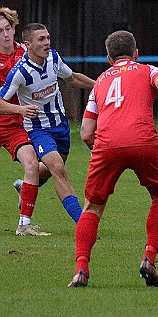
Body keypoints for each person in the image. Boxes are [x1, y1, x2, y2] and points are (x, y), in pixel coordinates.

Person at [67, 30, 158, 288]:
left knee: (92, 207)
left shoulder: (99, 82)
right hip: (143, 141)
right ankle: (149, 257)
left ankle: (81, 270)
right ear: (136, 54)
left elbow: (86, 133)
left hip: (107, 145)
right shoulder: (147, 70)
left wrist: (101, 151)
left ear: (109, 58)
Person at [0, 22, 95, 226]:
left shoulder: (53, 58)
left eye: (48, 38)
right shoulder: (20, 72)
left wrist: (99, 86)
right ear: (28, 44)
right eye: (41, 39)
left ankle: (24, 186)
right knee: (59, 170)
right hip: (38, 129)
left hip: (60, 125)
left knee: (51, 168)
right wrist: (20, 110)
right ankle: (83, 223)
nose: (47, 43)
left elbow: (72, 79)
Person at [0, 8, 51, 236]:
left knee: (50, 163)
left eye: (8, 29)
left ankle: (24, 224)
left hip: (17, 123)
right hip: (9, 116)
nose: (5, 35)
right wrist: (21, 108)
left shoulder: (25, 52)